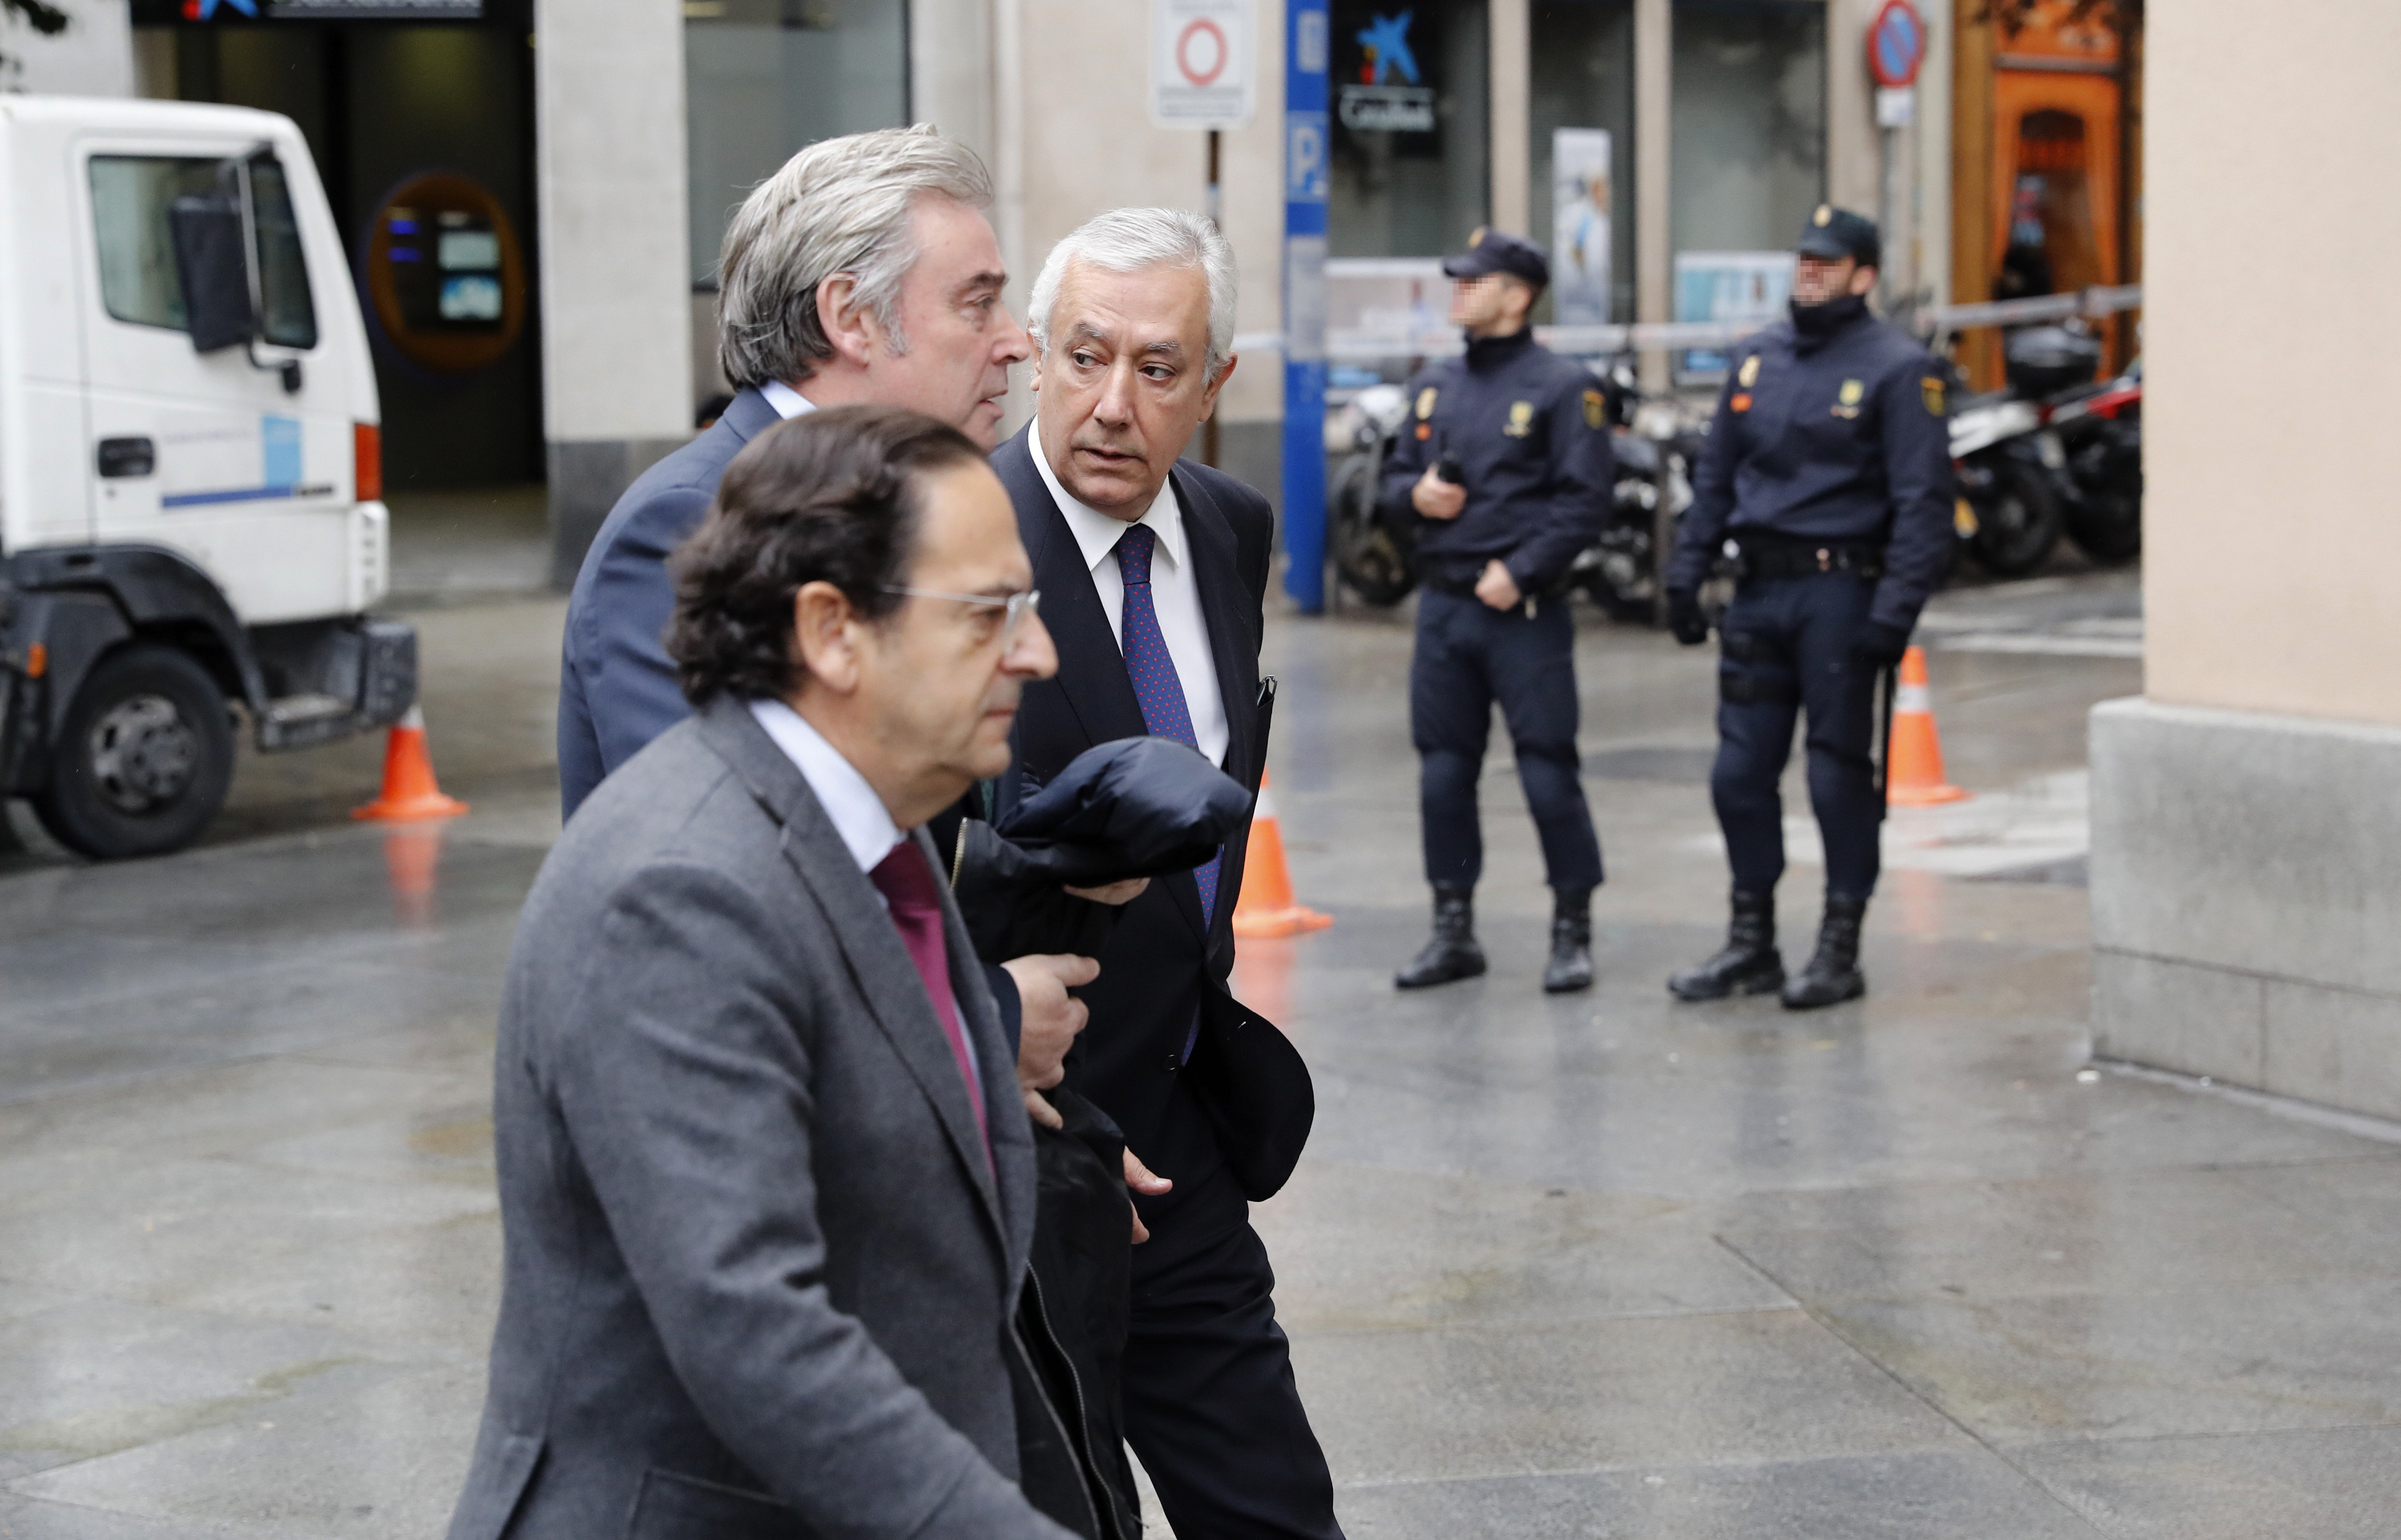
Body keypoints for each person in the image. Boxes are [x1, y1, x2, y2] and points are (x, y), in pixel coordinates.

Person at [447, 407, 1077, 1540]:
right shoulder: (680, 886)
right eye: (992, 612)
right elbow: (751, 1325)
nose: (1036, 652)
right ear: (834, 631)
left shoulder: (882, 824)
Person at [552, 123, 1125, 1203]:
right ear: (849, 318)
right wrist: (988, 1022)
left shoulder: (888, 506)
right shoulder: (695, 521)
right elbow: (732, 894)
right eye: (977, 301)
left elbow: (876, 842)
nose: (1015, 342)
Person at [993, 208, 1345, 1540]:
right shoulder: (951, 547)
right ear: (1034, 354)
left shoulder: (1228, 527)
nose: (1111, 403)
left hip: (1184, 1140)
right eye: (1085, 355)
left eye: (1157, 369)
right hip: (1014, 1149)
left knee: (1275, 1510)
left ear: (1216, 385)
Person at [1660, 205, 1953, 1009]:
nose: (1809, 274)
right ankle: (1750, 942)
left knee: (1835, 778)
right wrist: (1684, 575)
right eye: (1803, 260)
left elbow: (1922, 506)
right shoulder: (1757, 360)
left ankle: (1838, 946)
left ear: (1864, 275)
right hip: (1758, 592)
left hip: (1840, 597)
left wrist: (1892, 616)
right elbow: (1715, 479)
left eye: (1827, 263)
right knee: (1738, 775)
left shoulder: (1898, 369)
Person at [1375, 228, 1613, 995]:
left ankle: (1571, 928)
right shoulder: (1434, 384)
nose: (1459, 291)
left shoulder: (1562, 387)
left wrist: (1521, 569)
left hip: (1522, 610)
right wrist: (1414, 496)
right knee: (1443, 775)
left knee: (1547, 771)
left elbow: (1584, 504)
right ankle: (1453, 928)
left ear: (1516, 295)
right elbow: (1385, 484)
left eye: (1474, 281)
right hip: (1445, 609)